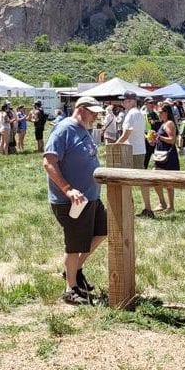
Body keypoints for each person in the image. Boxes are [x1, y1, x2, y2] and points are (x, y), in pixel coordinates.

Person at [42, 96, 107, 305]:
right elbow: (49, 162)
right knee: (74, 244)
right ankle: (71, 289)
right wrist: (68, 190)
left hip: (91, 196)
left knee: (103, 231)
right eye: (93, 111)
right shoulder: (63, 130)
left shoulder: (84, 129)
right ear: (80, 109)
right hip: (72, 201)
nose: (96, 115)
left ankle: (74, 270)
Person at [115, 91, 156, 217]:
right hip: (137, 150)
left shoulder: (132, 114)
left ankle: (142, 208)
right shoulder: (137, 113)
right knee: (139, 179)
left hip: (133, 151)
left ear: (131, 101)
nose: (123, 103)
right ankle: (144, 208)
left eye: (125, 100)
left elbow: (126, 134)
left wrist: (114, 145)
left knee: (133, 180)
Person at [152, 103, 179, 212]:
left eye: (161, 112)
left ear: (166, 113)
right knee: (155, 177)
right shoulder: (163, 123)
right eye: (158, 112)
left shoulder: (169, 123)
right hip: (161, 155)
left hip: (168, 156)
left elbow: (172, 140)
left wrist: (159, 137)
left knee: (169, 182)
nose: (159, 114)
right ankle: (163, 203)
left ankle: (170, 206)